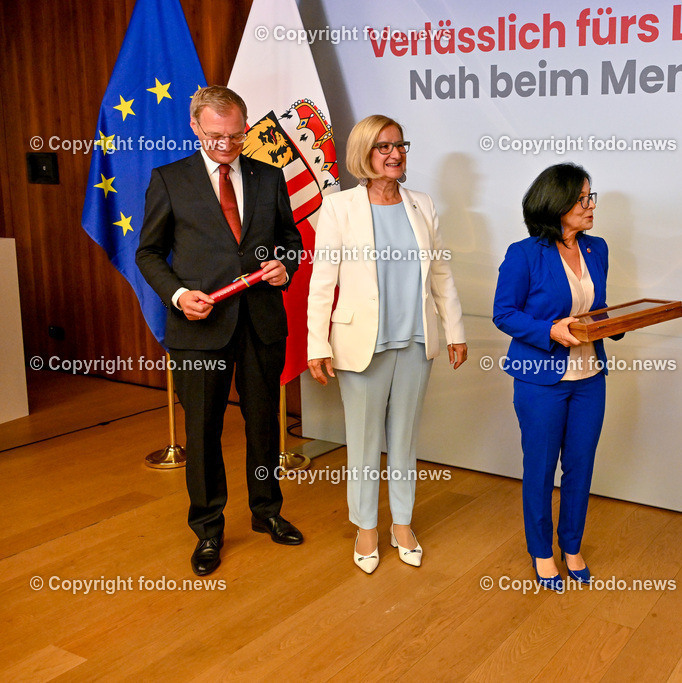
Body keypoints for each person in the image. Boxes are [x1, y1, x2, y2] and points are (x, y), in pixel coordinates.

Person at [136, 85, 305, 577]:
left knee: (263, 424)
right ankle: (208, 528)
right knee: (204, 430)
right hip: (199, 327)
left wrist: (284, 266)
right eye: (216, 137)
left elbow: (289, 240)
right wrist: (177, 295)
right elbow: (148, 252)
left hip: (260, 322)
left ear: (246, 125)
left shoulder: (270, 176)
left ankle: (266, 511)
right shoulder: (170, 180)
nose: (227, 145)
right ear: (195, 127)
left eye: (236, 135)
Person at [306, 115, 467, 574]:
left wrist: (455, 330)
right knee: (362, 440)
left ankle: (401, 524)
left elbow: (440, 273)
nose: (395, 154)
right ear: (363, 154)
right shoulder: (338, 208)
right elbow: (323, 282)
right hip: (360, 343)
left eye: (399, 145)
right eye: (383, 147)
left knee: (404, 438)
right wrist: (317, 343)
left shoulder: (422, 204)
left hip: (416, 340)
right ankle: (365, 527)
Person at [493, 163, 618, 592]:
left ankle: (572, 546)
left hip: (590, 377)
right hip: (540, 380)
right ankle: (542, 552)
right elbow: (504, 313)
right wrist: (549, 331)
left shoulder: (597, 248)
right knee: (541, 468)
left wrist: (615, 323)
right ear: (558, 203)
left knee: (581, 467)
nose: (590, 206)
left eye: (590, 197)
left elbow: (596, 307)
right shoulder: (523, 253)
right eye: (583, 199)